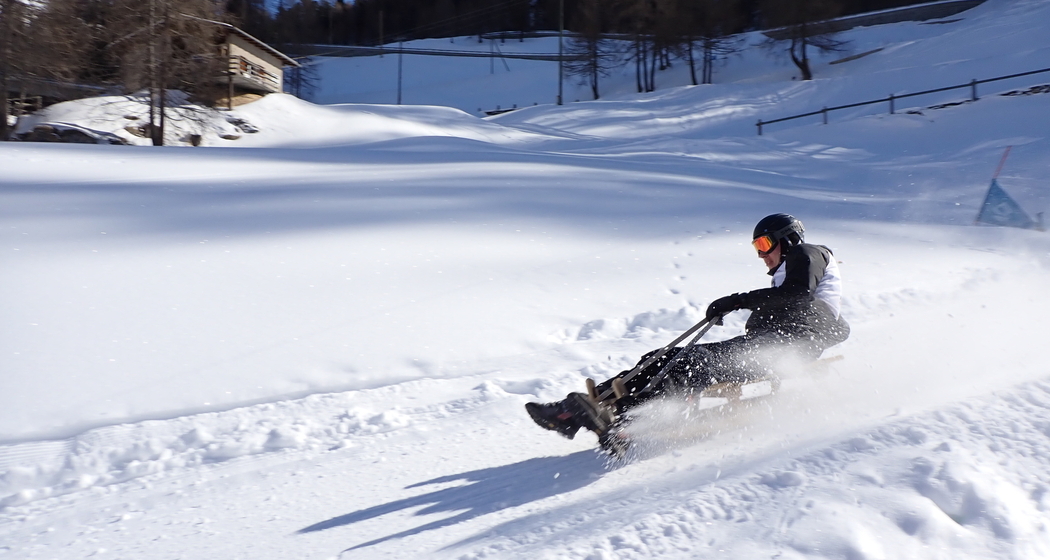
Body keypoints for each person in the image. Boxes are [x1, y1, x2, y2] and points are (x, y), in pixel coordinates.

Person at [525, 213, 850, 445]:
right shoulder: (785, 275)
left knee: (691, 363)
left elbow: (798, 294)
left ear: (787, 239)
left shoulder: (809, 253)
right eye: (757, 248)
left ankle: (626, 418)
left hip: (783, 350)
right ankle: (582, 408)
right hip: (768, 345)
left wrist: (737, 300)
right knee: (660, 357)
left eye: (765, 244)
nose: (762, 255)